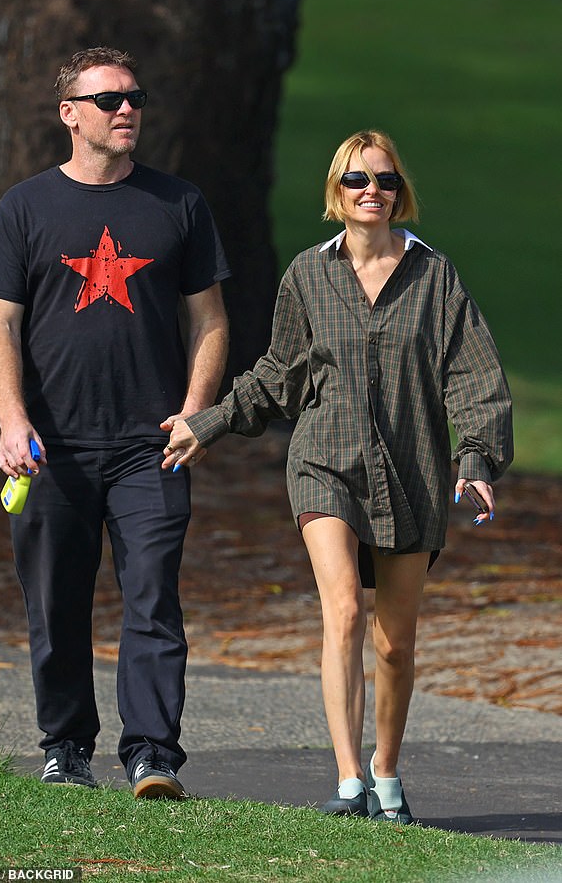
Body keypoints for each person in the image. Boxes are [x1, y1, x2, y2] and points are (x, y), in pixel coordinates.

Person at [161, 129, 513, 823]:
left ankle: (386, 771)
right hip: (325, 459)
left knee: (396, 639)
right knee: (344, 609)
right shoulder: (307, 275)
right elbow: (281, 374)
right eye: (356, 180)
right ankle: (349, 781)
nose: (371, 191)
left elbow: (474, 375)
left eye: (383, 180)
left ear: (399, 192)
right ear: (337, 192)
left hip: (410, 470)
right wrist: (212, 421)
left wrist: (474, 459)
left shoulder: (435, 276)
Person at [0, 47, 230, 798]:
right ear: (69, 114)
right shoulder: (25, 206)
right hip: (53, 447)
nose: (127, 110)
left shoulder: (178, 203)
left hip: (152, 445)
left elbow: (210, 322)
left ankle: (152, 755)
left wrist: (196, 413)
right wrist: (11, 419)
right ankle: (67, 749)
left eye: (135, 98)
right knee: (55, 601)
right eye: (110, 98)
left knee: (153, 596)